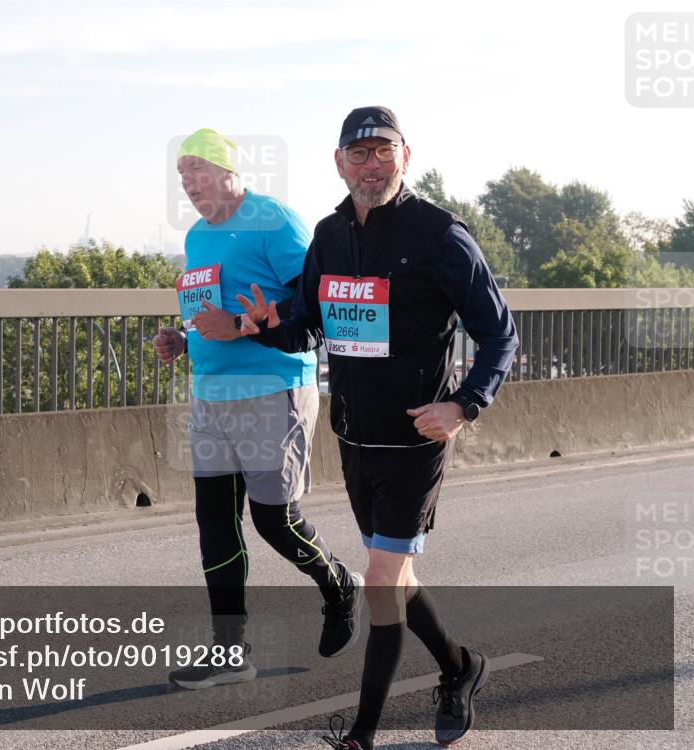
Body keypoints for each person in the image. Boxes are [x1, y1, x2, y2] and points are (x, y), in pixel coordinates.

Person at [236, 107, 518, 748]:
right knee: (397, 579)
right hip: (354, 437)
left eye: (382, 152)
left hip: (417, 439)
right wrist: (267, 325)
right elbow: (309, 323)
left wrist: (464, 404)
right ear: (339, 163)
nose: (370, 165)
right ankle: (460, 667)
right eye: (358, 154)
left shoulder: (440, 235)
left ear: (405, 156)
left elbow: (499, 333)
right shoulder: (331, 236)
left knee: (382, 582)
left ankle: (361, 736)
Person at [154, 128, 363, 690]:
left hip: (273, 389)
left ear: (228, 170)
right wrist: (183, 336)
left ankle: (339, 584)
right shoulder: (197, 237)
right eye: (181, 173)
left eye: (197, 168)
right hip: (210, 395)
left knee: (274, 519)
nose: (187, 181)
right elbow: (211, 312)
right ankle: (230, 652)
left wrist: (244, 325)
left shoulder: (275, 220)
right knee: (214, 523)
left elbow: (315, 302)